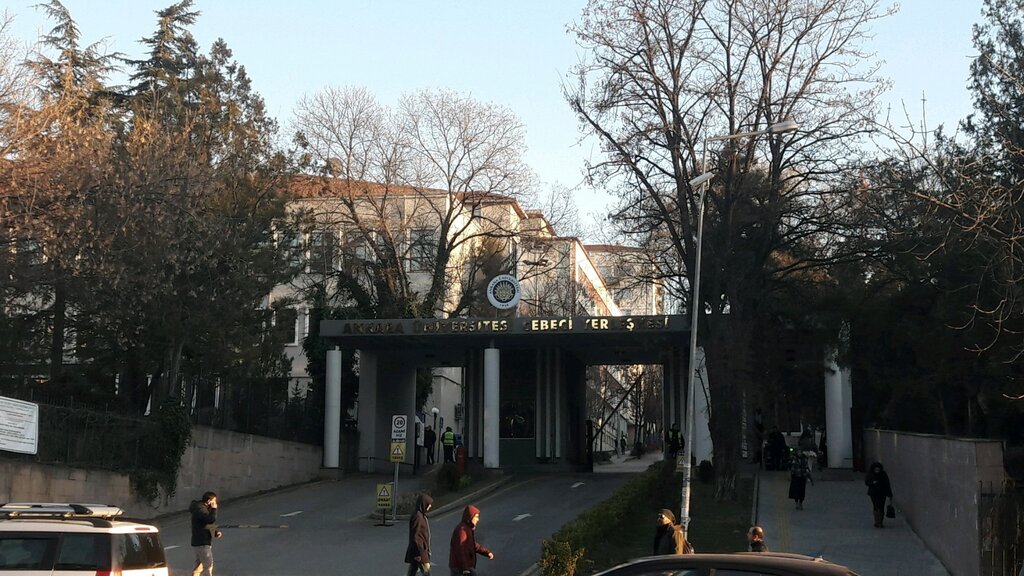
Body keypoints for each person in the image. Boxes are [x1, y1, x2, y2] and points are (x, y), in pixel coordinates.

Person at [449, 504, 493, 576]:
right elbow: (460, 550)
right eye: (476, 517)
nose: (478, 519)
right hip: (460, 567)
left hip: (464, 566)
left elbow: (472, 545)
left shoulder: (467, 528)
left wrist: (486, 552)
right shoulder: (462, 531)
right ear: (470, 517)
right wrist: (465, 568)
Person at [189, 491, 223, 576]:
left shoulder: (202, 509)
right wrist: (214, 509)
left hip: (199, 542)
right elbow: (210, 520)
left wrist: (215, 532)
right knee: (208, 566)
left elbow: (206, 524)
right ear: (208, 501)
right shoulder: (200, 510)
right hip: (202, 543)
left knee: (198, 568)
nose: (215, 503)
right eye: (214, 501)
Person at [405, 493, 433, 575]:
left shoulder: (421, 515)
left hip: (420, 551)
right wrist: (418, 553)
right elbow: (415, 536)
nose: (430, 506)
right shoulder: (418, 517)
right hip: (420, 552)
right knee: (427, 573)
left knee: (412, 571)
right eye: (428, 504)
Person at [865, 461, 893, 528]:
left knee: (881, 507)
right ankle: (877, 521)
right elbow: (867, 482)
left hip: (882, 493)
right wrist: (873, 483)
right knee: (876, 506)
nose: (877, 471)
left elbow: (887, 484)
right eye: (876, 469)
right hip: (873, 493)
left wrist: (890, 494)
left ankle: (880, 522)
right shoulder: (870, 474)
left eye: (878, 469)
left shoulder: (883, 474)